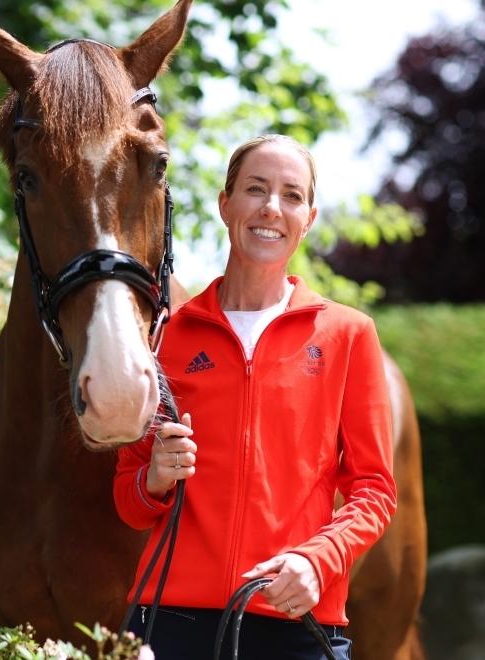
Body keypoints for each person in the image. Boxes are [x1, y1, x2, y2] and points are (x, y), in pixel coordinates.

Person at [113, 134, 397, 660]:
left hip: (296, 621)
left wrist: (319, 560)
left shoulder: (348, 335)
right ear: (226, 205)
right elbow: (128, 500)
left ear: (308, 218)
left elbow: (375, 489)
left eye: (292, 195)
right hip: (170, 626)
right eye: (256, 189)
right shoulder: (165, 339)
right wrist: (153, 478)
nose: (272, 208)